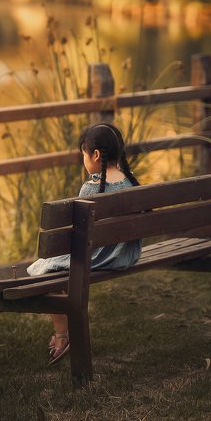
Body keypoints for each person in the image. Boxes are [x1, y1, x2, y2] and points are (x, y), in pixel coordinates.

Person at [25, 122, 141, 365]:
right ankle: (64, 333)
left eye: (84, 156)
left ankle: (62, 334)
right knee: (53, 267)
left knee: (43, 270)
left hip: (98, 257)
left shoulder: (91, 188)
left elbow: (78, 237)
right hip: (126, 255)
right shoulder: (131, 182)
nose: (84, 161)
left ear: (96, 155)